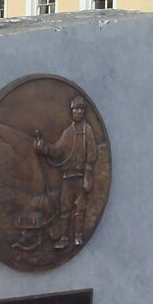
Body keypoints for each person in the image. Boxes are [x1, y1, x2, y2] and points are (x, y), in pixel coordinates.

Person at [34, 95, 97, 249]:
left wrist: (88, 177)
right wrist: (44, 147)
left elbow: (92, 153)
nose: (79, 112)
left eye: (81, 109)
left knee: (80, 210)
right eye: (76, 109)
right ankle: (63, 239)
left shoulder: (88, 130)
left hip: (81, 177)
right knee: (65, 209)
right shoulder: (68, 133)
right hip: (68, 178)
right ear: (71, 111)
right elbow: (57, 151)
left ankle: (78, 237)